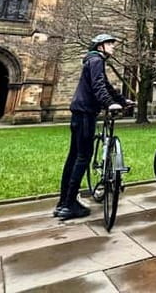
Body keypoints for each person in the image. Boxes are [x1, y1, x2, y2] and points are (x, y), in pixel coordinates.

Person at [56, 33, 131, 219]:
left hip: (80, 112)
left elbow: (106, 85)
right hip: (85, 113)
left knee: (73, 156)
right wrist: (108, 103)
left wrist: (122, 100)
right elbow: (98, 86)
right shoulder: (96, 60)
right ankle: (69, 204)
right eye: (110, 44)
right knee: (83, 157)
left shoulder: (93, 61)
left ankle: (63, 202)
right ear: (100, 46)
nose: (113, 47)